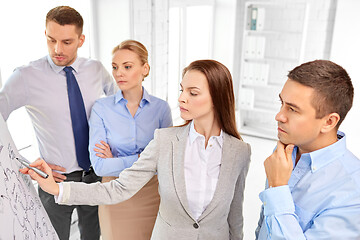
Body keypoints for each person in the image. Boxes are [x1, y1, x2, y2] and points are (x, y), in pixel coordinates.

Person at [21, 59, 251, 240]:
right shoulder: (165, 141)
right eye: (182, 90)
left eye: (193, 93)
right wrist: (57, 189)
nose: (181, 98)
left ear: (217, 97)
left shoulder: (240, 152)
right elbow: (117, 189)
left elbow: (234, 215)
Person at [0, 6, 118, 240]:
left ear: (81, 39)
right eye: (51, 39)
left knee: (94, 236)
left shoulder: (95, 69)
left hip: (95, 175)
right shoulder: (25, 77)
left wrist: (115, 145)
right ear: (45, 34)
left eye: (66, 42)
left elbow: (120, 107)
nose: (57, 49)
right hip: (55, 179)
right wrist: (27, 163)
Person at [255, 60, 360, 239]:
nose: (279, 116)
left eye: (293, 109)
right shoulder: (285, 151)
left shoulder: (353, 194)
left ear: (329, 122)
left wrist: (278, 188)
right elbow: (265, 224)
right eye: (281, 103)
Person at [89, 40, 172, 239]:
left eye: (127, 67)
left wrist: (116, 160)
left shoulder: (161, 109)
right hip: (114, 193)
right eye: (115, 67)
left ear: (145, 69)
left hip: (152, 195)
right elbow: (100, 166)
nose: (119, 73)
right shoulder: (101, 108)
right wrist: (144, 158)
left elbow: (166, 160)